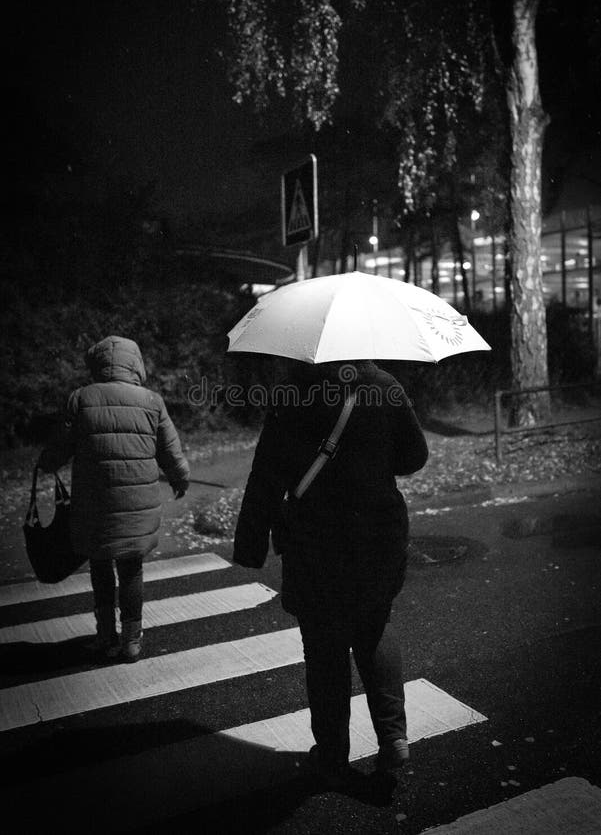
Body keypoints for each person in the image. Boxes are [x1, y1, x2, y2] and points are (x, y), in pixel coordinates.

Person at [233, 359, 428, 784]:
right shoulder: (384, 385)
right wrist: (371, 462)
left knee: (324, 648)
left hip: (314, 540)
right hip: (377, 534)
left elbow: (265, 476)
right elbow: (415, 456)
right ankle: (394, 737)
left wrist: (250, 547)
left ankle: (333, 753)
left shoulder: (292, 395)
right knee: (374, 627)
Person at [39, 335, 190, 662]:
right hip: (137, 505)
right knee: (131, 569)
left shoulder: (80, 399)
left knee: (100, 565)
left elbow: (59, 449)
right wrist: (180, 478)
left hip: (94, 504)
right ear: (135, 364)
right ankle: (131, 641)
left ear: (97, 365)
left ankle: (105, 635)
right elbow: (169, 450)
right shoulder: (151, 401)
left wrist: (46, 463)